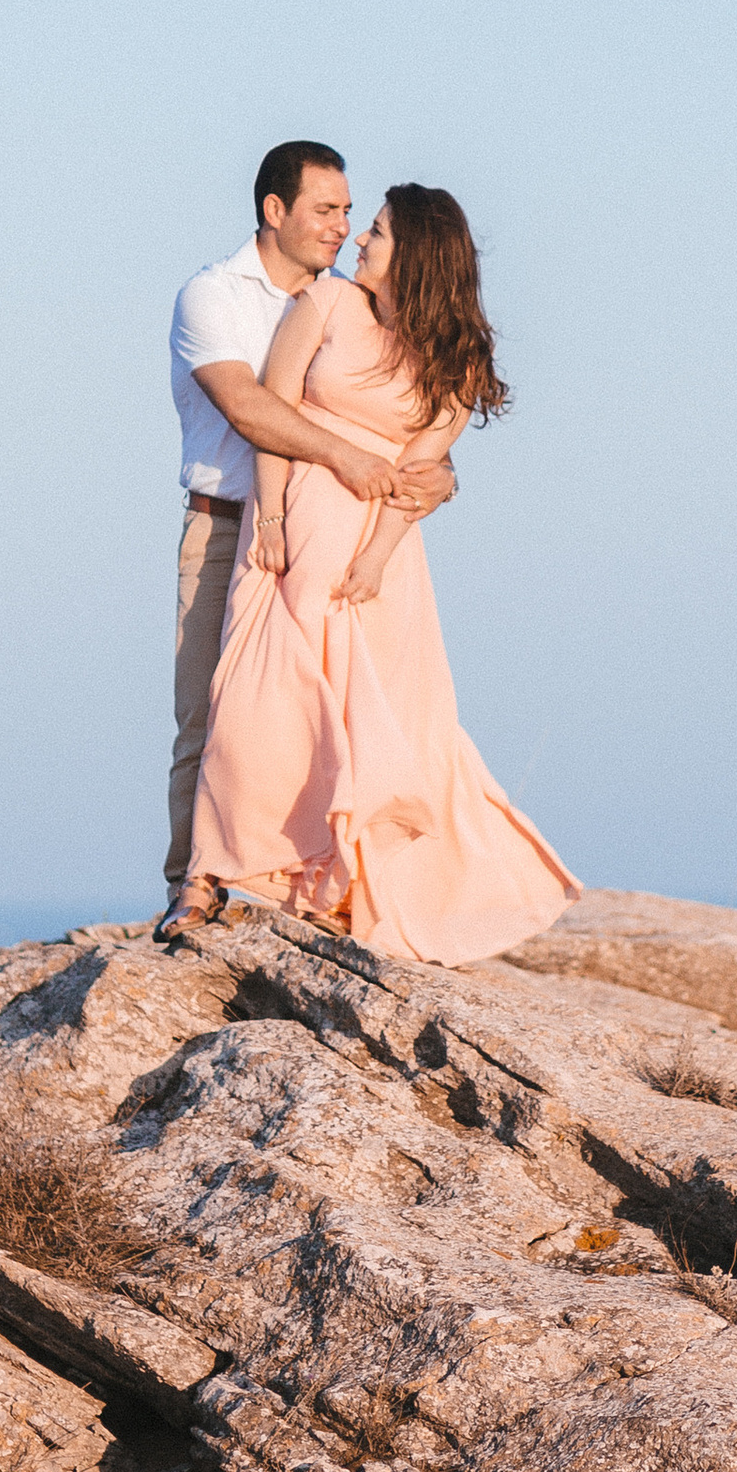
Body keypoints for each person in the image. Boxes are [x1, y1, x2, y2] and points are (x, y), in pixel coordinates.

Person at [175, 182, 577, 964]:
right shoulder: (325, 304)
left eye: (380, 233)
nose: (360, 240)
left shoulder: (457, 360)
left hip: (376, 563)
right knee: (254, 709)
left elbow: (424, 473)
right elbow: (269, 412)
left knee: (374, 724)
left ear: (417, 257)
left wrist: (374, 558)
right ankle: (207, 877)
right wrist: (277, 520)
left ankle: (344, 891)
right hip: (288, 537)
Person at [161, 142, 455, 919]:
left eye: (352, 212)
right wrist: (347, 459)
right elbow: (251, 408)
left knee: (318, 714)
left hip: (328, 539)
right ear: (275, 211)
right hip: (230, 526)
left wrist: (437, 478)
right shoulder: (213, 296)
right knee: (214, 715)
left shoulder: (348, 303)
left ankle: (301, 885)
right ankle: (190, 889)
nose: (344, 226)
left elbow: (408, 425)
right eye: (327, 210)